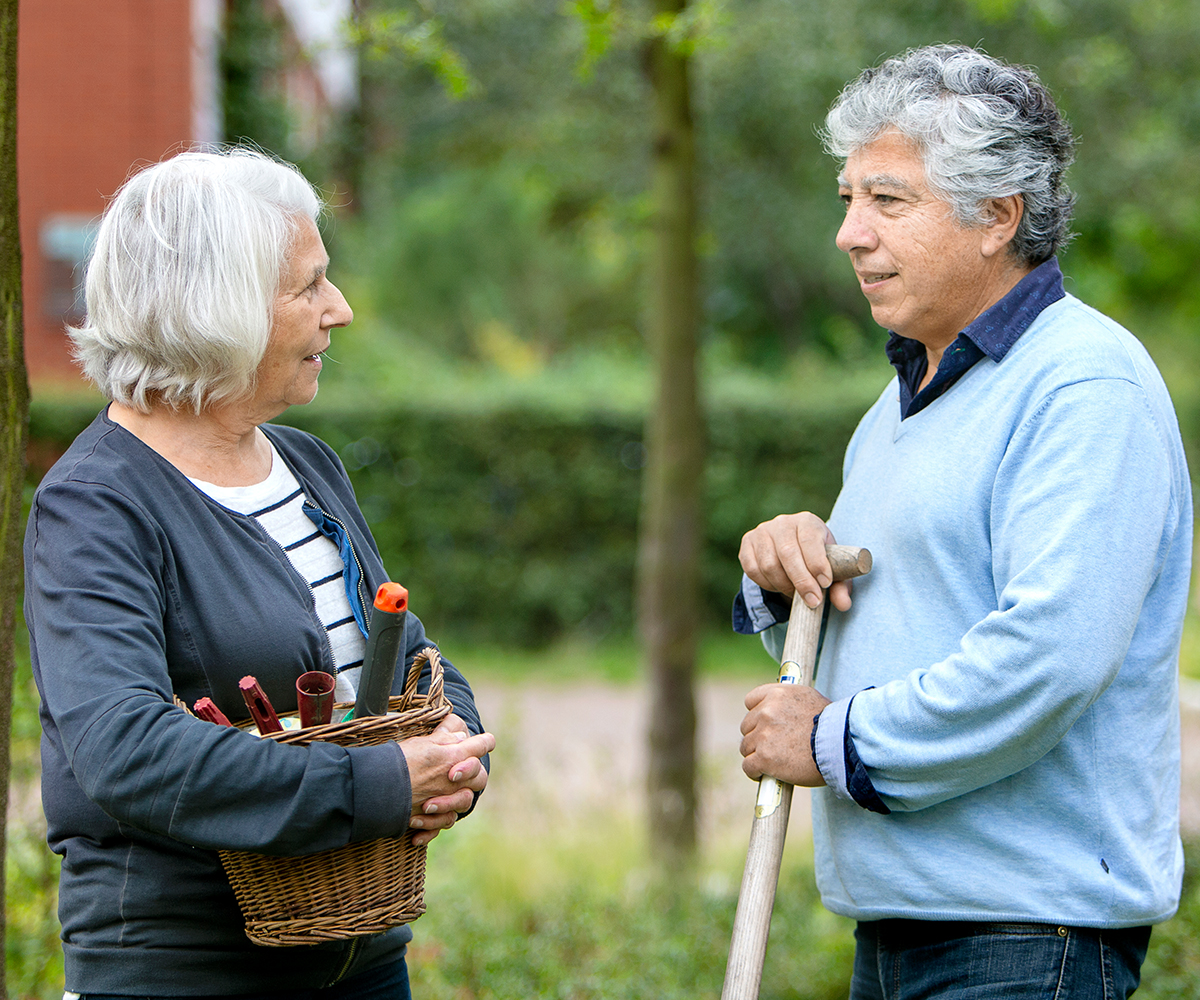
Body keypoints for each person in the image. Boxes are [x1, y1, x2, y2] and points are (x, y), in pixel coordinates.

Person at [733, 45, 1191, 999]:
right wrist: (786, 575)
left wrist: (828, 743)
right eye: (848, 198)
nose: (849, 234)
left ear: (999, 217)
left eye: (887, 201)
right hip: (911, 931)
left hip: (1028, 939)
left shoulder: (1082, 387)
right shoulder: (902, 404)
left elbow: (1047, 656)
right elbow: (900, 618)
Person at [24, 148, 495, 998]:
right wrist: (381, 786)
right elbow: (124, 752)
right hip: (186, 972)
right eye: (309, 286)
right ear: (218, 308)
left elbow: (402, 654)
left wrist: (454, 747)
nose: (339, 310)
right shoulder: (95, 505)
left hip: (364, 962)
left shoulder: (307, 466)